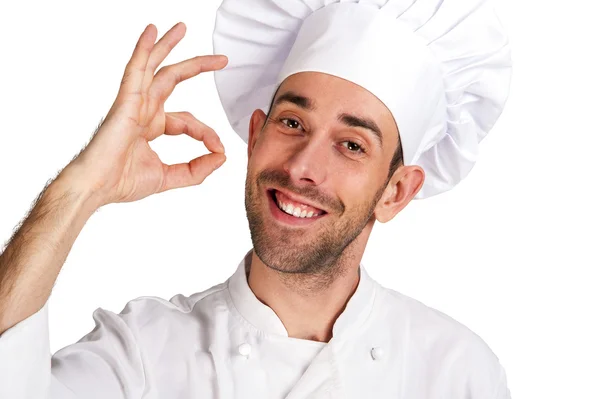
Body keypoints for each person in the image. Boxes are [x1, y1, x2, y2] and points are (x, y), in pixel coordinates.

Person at [0, 0, 512, 397]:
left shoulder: (457, 372)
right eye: (292, 123)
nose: (301, 167)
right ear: (257, 133)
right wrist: (82, 184)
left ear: (396, 193)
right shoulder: (142, 355)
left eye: (351, 145)